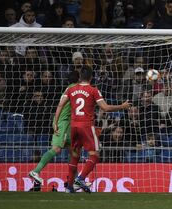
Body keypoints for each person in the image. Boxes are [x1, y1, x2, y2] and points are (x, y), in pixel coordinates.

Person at [54, 65, 131, 193]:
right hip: (86, 127)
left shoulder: (70, 89)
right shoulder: (93, 90)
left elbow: (60, 105)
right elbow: (105, 108)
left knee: (74, 156)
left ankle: (69, 188)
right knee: (95, 155)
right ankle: (81, 178)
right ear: (91, 77)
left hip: (73, 126)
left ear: (80, 77)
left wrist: (56, 123)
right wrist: (122, 106)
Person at [28, 71, 80, 188]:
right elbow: (60, 106)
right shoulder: (74, 89)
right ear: (78, 79)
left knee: (73, 152)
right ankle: (36, 171)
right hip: (63, 123)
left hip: (68, 123)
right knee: (56, 149)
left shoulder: (69, 89)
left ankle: (76, 180)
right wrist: (56, 122)